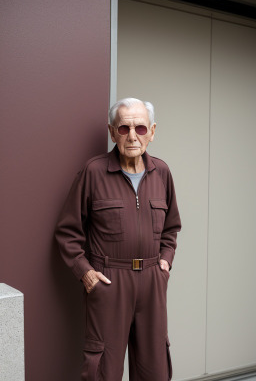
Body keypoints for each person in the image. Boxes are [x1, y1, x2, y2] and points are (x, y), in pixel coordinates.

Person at [55, 97, 181, 381]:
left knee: (155, 368)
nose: (133, 136)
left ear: (152, 131)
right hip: (109, 282)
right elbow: (67, 232)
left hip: (152, 280)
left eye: (140, 128)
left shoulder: (161, 172)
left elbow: (171, 229)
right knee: (103, 370)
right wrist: (86, 274)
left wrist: (165, 263)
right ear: (112, 132)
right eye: (124, 128)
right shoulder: (93, 172)